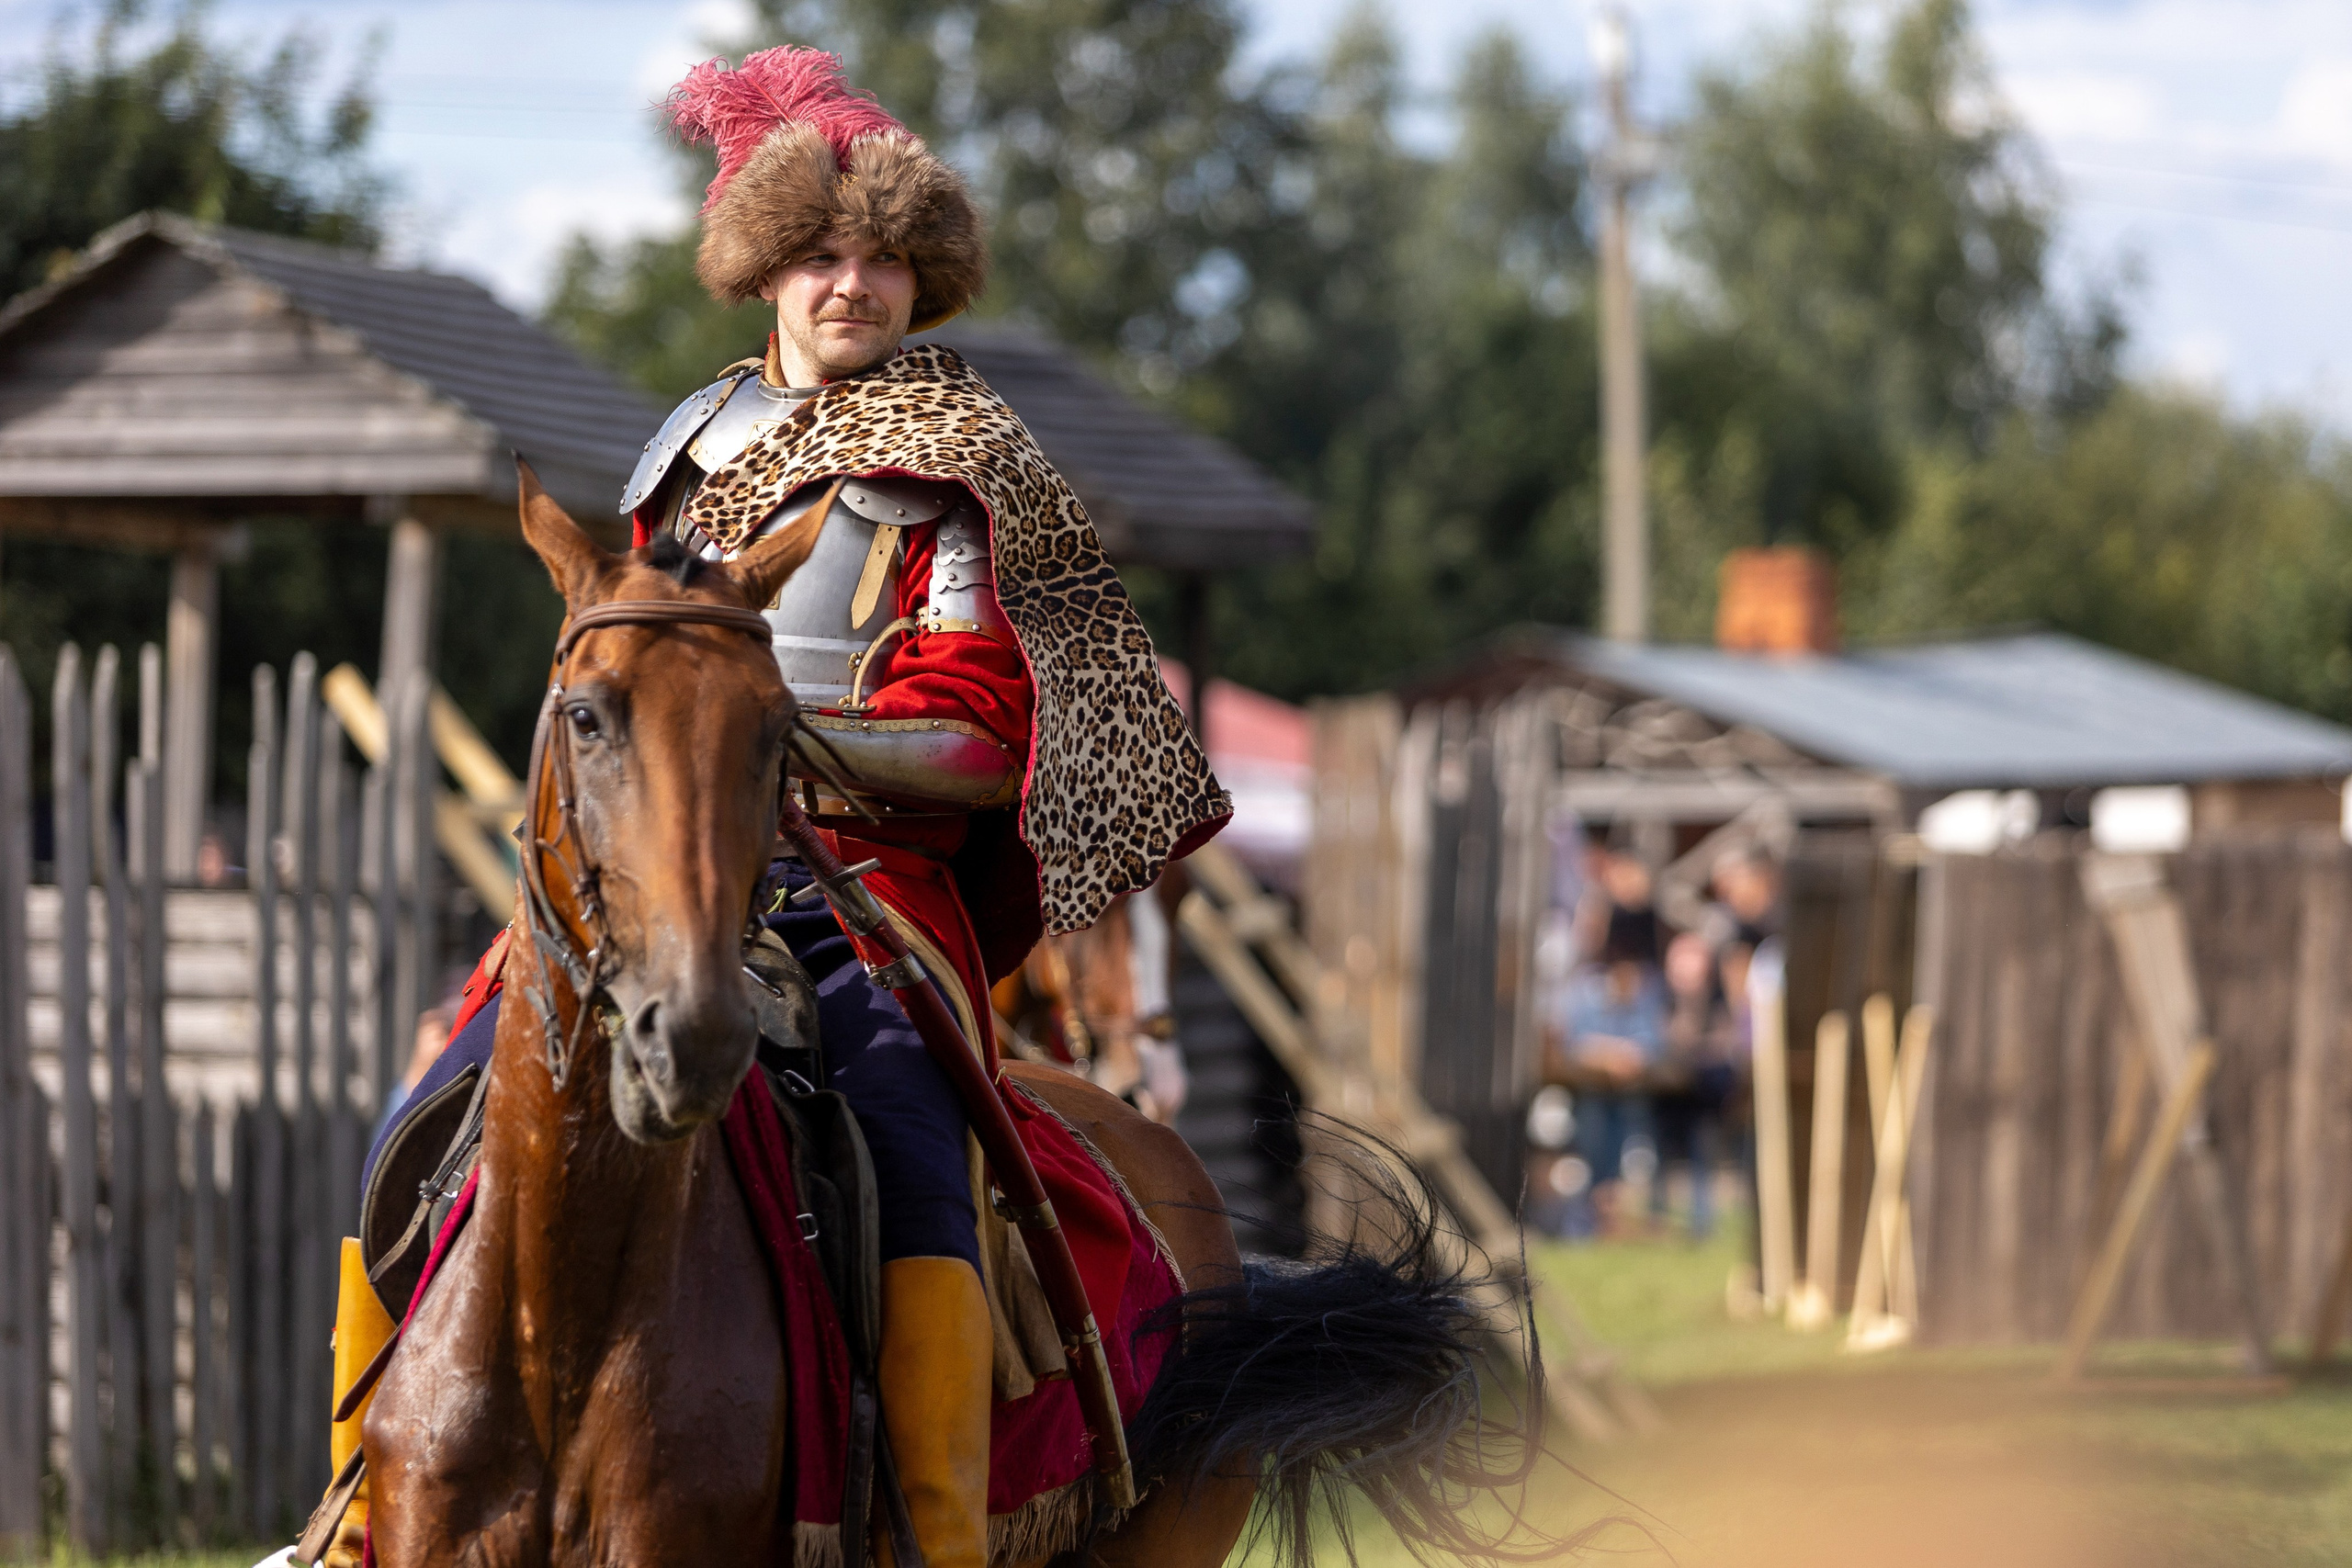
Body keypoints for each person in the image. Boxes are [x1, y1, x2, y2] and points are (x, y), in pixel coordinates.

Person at [345, 48, 1228, 1568]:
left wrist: (786, 729)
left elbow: (985, 743)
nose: (853, 285)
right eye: (823, 255)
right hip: (653, 879)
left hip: (865, 894)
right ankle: (356, 1507)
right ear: (764, 267)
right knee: (424, 1106)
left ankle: (937, 1528)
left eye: (886, 259)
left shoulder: (960, 473)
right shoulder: (682, 446)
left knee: (900, 1129)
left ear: (923, 281)